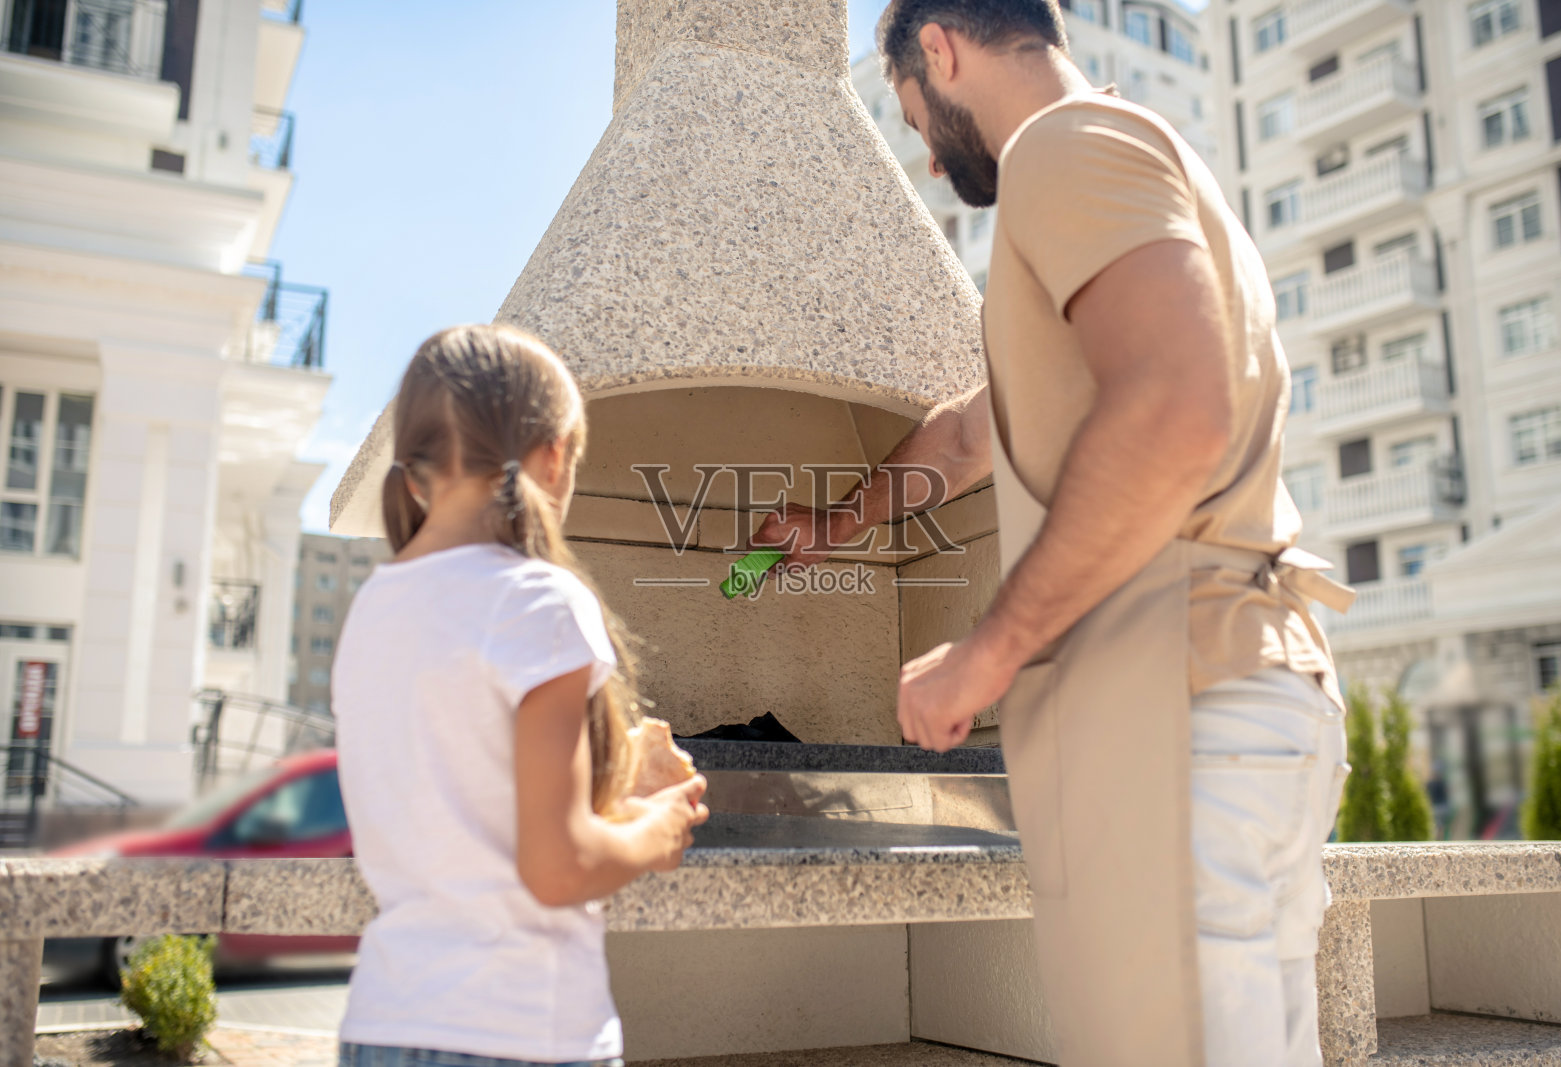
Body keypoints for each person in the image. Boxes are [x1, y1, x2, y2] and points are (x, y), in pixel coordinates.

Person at [755, 2, 1354, 1064]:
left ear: (938, 48)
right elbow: (975, 435)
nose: (930, 164)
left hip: (1179, 713)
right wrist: (833, 523)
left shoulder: (1063, 149)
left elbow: (1175, 406)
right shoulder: (1134, 169)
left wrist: (985, 655)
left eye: (910, 117)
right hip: (1220, 702)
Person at [332, 324, 709, 1067]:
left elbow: (466, 822)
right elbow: (557, 867)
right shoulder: (538, 599)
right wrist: (655, 833)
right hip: (518, 1032)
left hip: (381, 1025)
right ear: (553, 456)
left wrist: (620, 801)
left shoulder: (371, 610)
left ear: (414, 473)